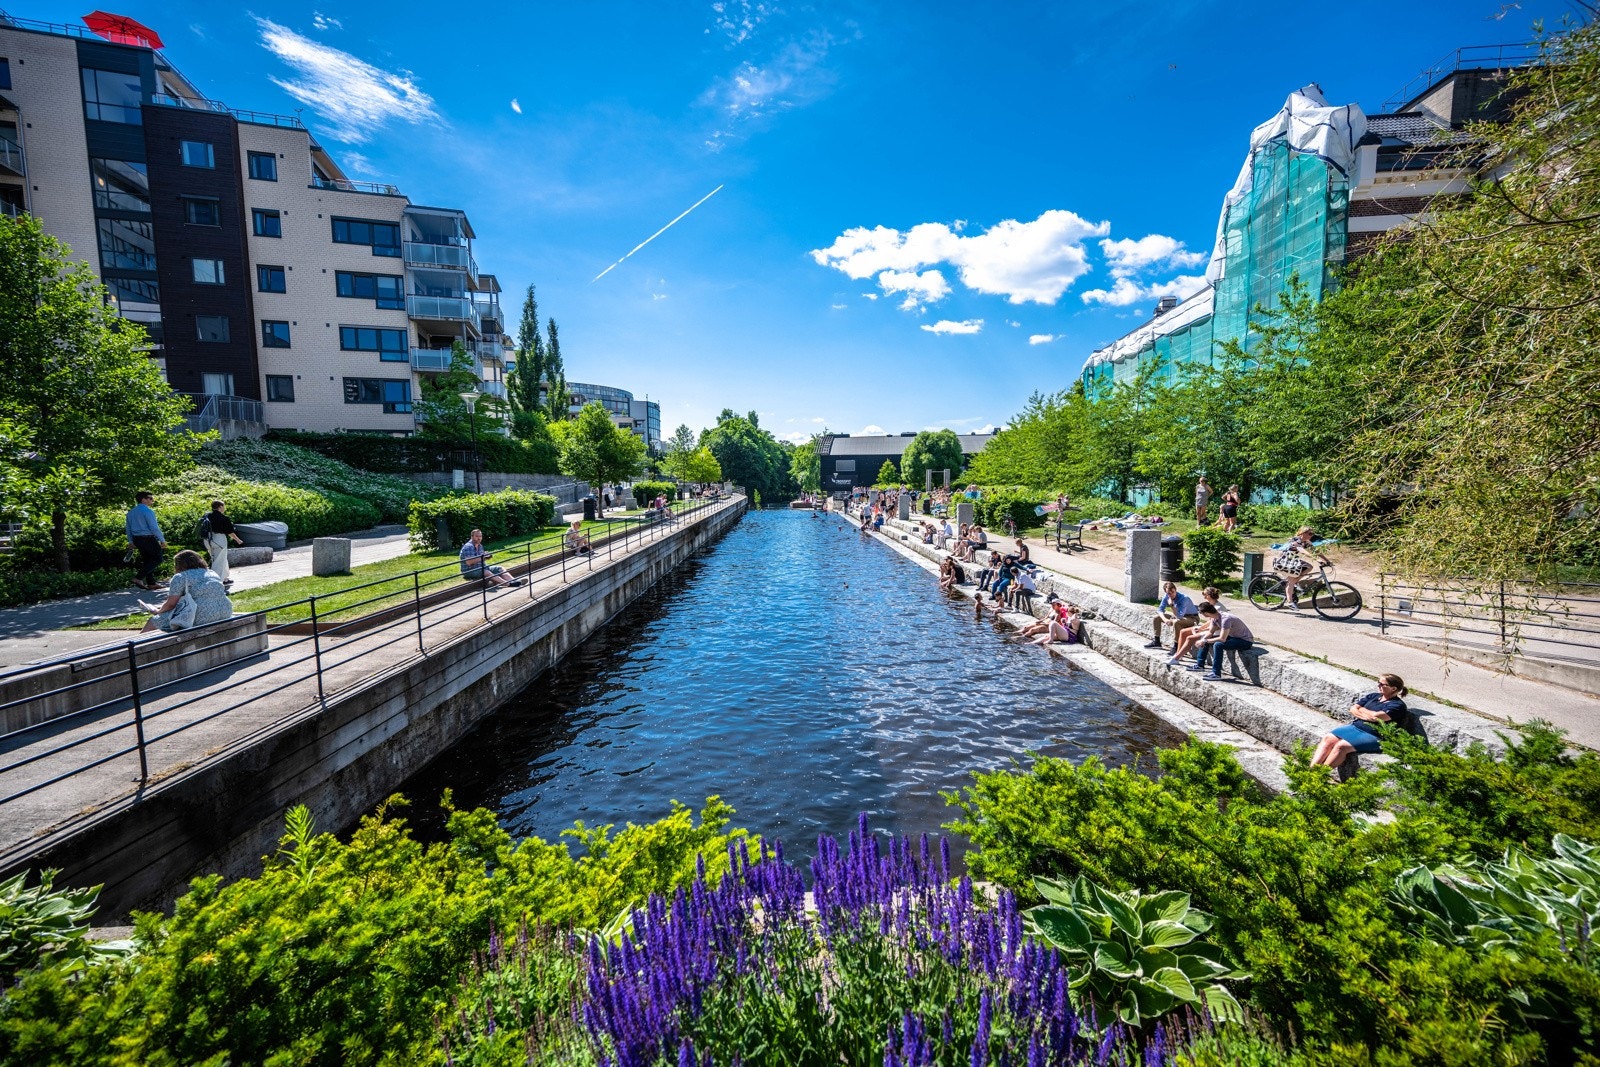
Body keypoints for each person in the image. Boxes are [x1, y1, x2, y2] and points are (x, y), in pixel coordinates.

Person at [1311, 675, 1411, 769]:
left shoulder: (1397, 705)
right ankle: (1311, 770)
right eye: (1378, 682)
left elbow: (1377, 717)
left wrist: (1362, 710)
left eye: (1382, 684)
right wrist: (1368, 715)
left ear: (1393, 688)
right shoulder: (1373, 696)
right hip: (1356, 727)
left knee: (1341, 746)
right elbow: (1353, 709)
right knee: (1328, 738)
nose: (1378, 685)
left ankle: (1319, 775)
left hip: (1375, 736)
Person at [139, 549, 231, 633]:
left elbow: (171, 604)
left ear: (179, 565)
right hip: (225, 611)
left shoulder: (181, 577)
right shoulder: (211, 572)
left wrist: (158, 611)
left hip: (201, 614)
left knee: (154, 620)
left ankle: (135, 649)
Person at [1188, 603, 1254, 680]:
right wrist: (1202, 640)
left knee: (1218, 644)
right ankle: (1200, 665)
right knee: (1206, 640)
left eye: (1200, 612)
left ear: (1205, 613)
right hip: (1233, 637)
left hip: (1245, 641)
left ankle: (1216, 673)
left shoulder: (1225, 619)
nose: (1200, 614)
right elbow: (1210, 633)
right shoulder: (1214, 617)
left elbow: (1222, 639)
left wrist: (1205, 640)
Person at [1276, 527, 1330, 608]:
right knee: (1291, 581)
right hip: (1284, 561)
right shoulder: (1296, 540)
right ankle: (1290, 602)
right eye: (1310, 533)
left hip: (1293, 561)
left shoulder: (1306, 541)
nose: (1311, 535)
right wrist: (1316, 559)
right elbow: (1302, 550)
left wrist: (1327, 560)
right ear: (1302, 533)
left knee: (1309, 567)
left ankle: (1294, 582)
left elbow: (1316, 551)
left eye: (1312, 534)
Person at [125, 491, 168, 591]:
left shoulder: (130, 513)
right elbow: (154, 528)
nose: (152, 500)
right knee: (158, 559)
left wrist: (131, 541)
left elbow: (128, 528)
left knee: (147, 560)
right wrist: (162, 540)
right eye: (150, 498)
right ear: (143, 499)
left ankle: (151, 583)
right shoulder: (148, 511)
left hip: (137, 539)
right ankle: (138, 578)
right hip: (148, 538)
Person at [202, 499, 245, 588]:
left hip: (207, 539)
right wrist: (238, 540)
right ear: (220, 507)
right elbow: (230, 532)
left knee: (220, 558)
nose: (224, 508)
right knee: (218, 561)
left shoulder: (207, 516)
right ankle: (215, 581)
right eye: (223, 506)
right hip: (219, 540)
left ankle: (225, 578)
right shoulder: (223, 518)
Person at [1146, 581, 1199, 650]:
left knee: (1176, 622)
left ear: (1175, 590)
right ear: (1166, 592)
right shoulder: (1166, 596)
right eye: (1168, 593)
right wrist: (1165, 620)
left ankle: (1176, 646)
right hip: (1178, 615)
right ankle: (1157, 641)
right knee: (1157, 618)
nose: (1171, 595)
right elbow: (1160, 610)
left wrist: (1171, 605)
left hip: (1192, 618)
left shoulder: (1184, 598)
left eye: (1173, 592)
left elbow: (1179, 616)